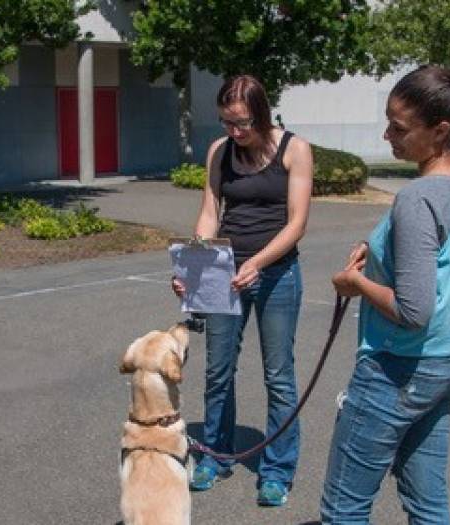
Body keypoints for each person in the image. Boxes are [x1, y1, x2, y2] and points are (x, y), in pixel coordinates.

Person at [318, 58, 450, 524]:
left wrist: (354, 283)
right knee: (427, 503)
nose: (387, 137)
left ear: (439, 131)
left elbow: (414, 310)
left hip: (398, 370)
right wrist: (379, 254)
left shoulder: (418, 198)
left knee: (344, 508)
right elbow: (446, 260)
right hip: (449, 364)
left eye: (398, 128)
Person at [170, 74, 314, 507]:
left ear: (262, 113)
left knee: (279, 377)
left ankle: (277, 470)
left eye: (241, 123)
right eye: (225, 122)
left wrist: (258, 262)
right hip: (223, 272)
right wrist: (193, 267)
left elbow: (297, 223)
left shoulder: (296, 149)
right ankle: (215, 456)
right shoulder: (220, 152)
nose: (233, 132)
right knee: (217, 372)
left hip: (276, 275)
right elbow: (210, 213)